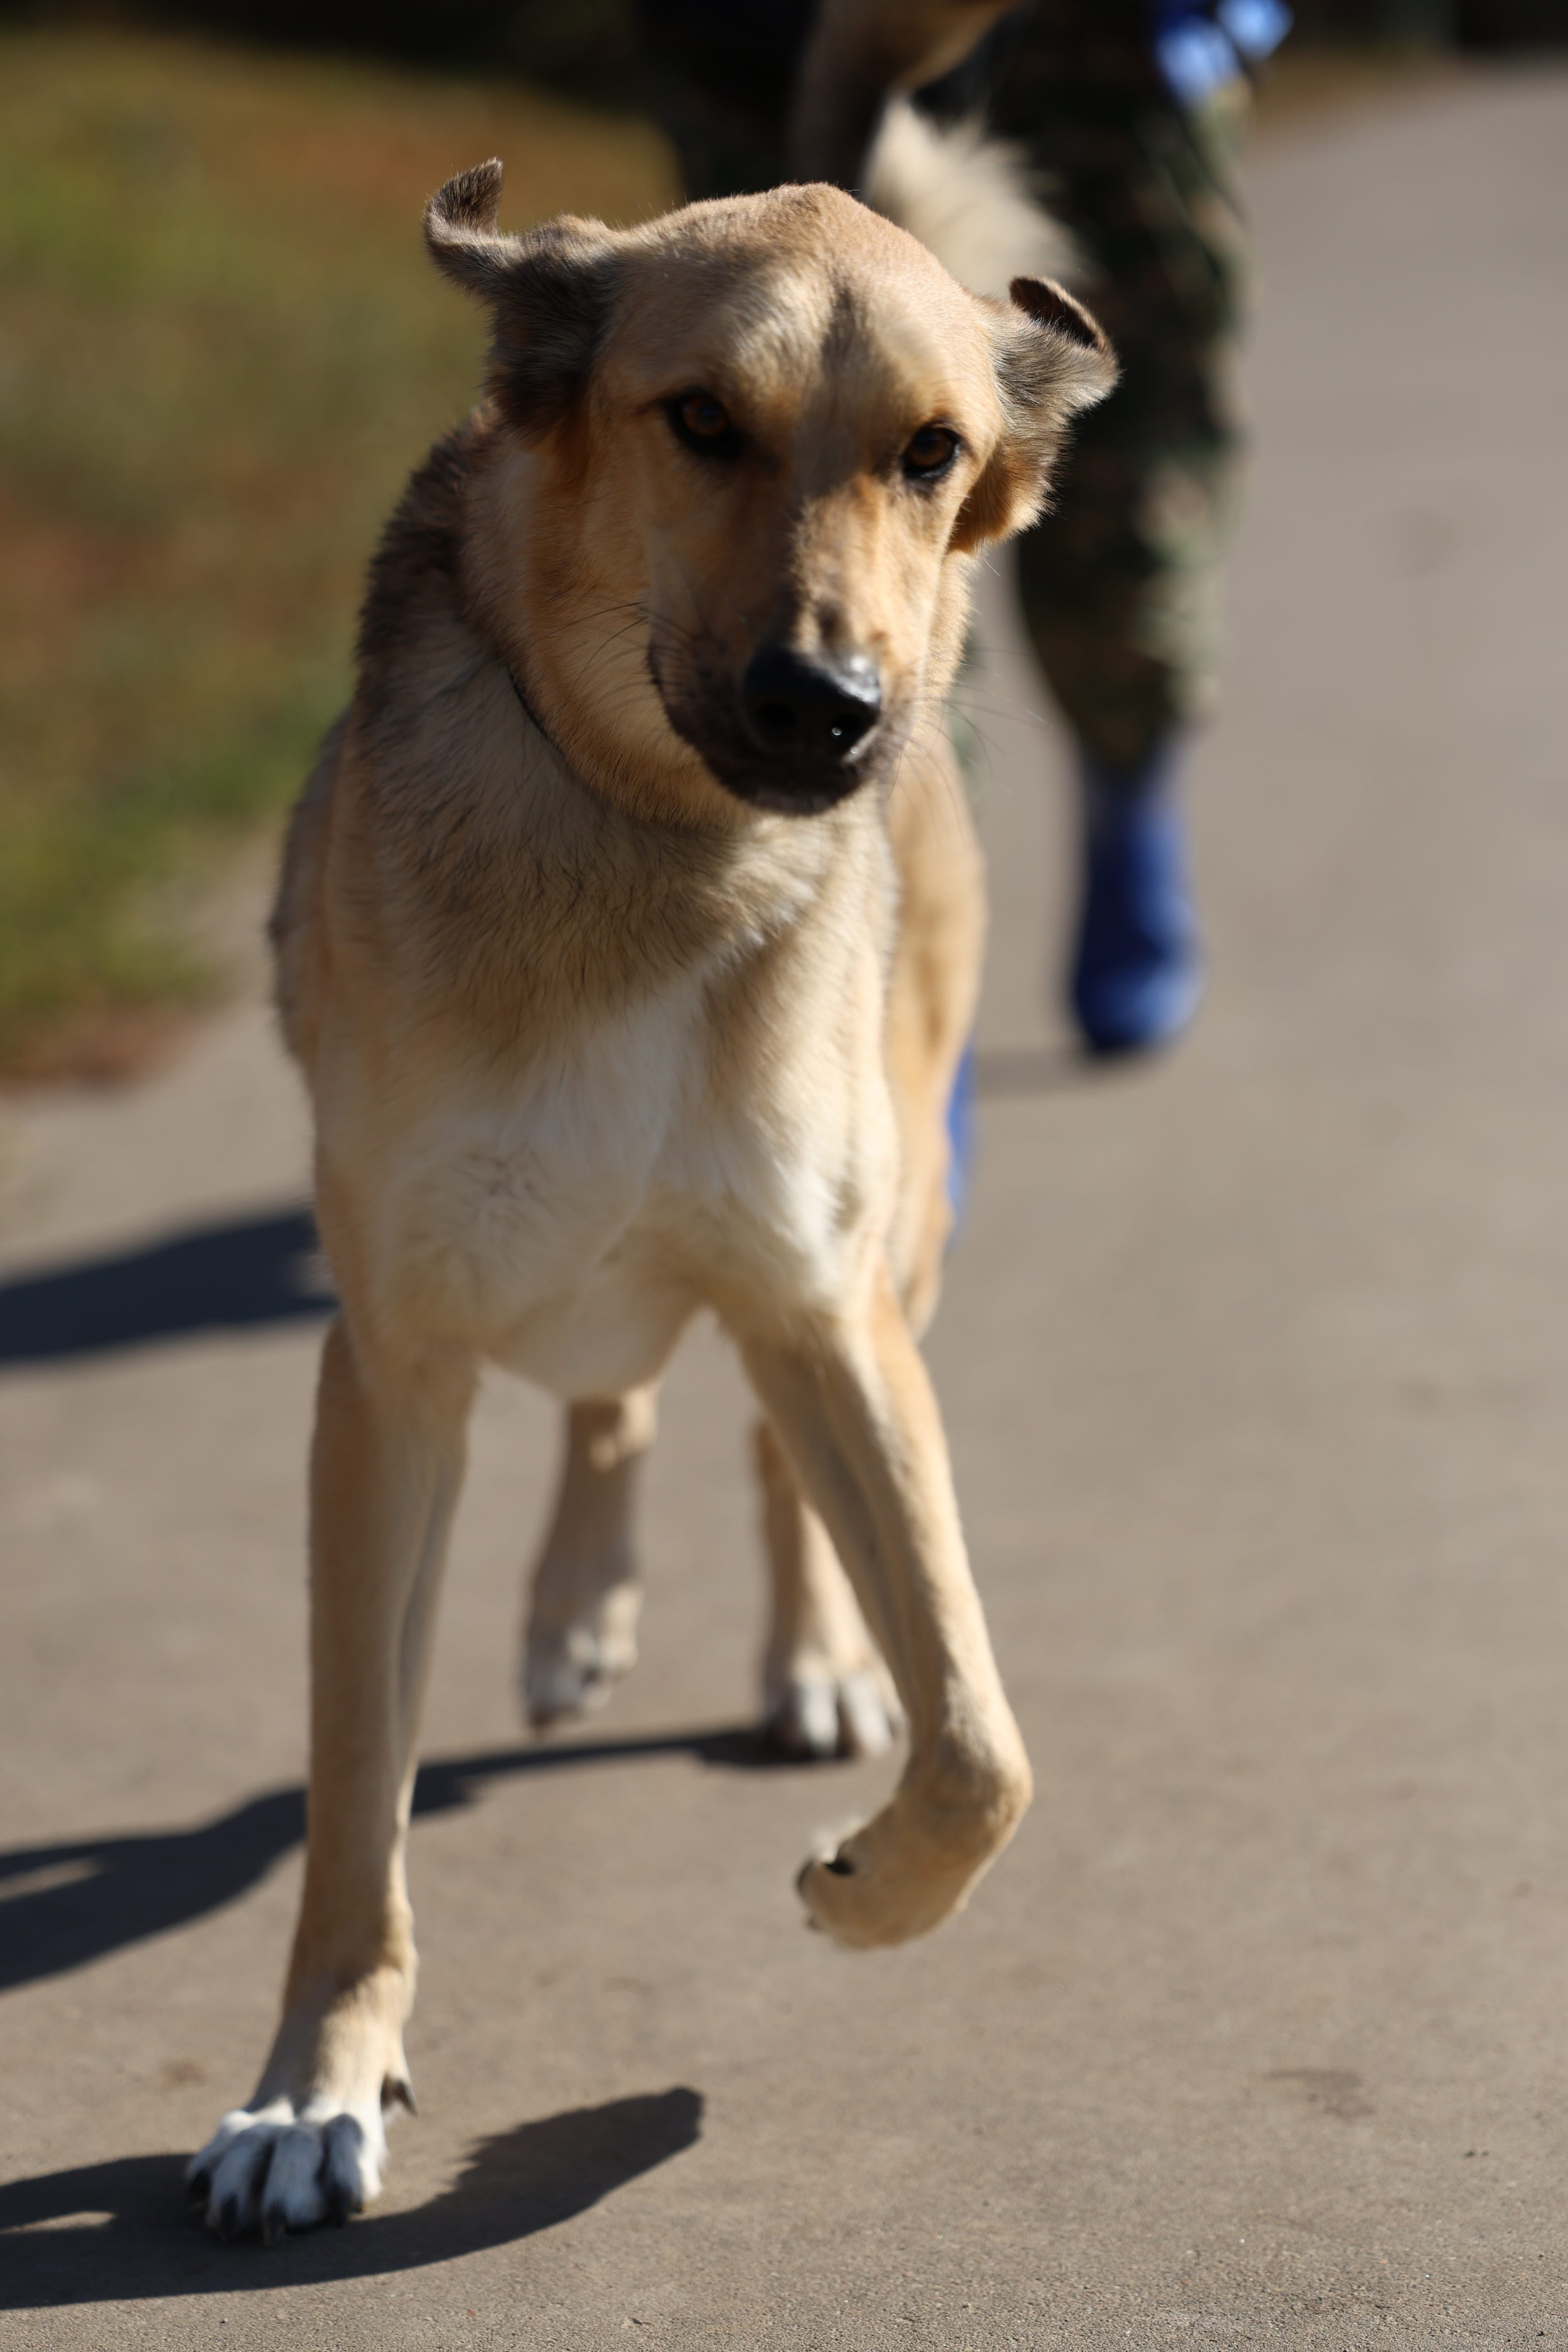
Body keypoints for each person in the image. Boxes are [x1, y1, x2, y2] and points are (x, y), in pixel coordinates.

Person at [635, 0, 1289, 1056]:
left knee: (1131, 506)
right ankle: (909, 1002)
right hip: (782, 33)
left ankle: (1129, 796)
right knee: (822, 537)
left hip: (1104, 54)